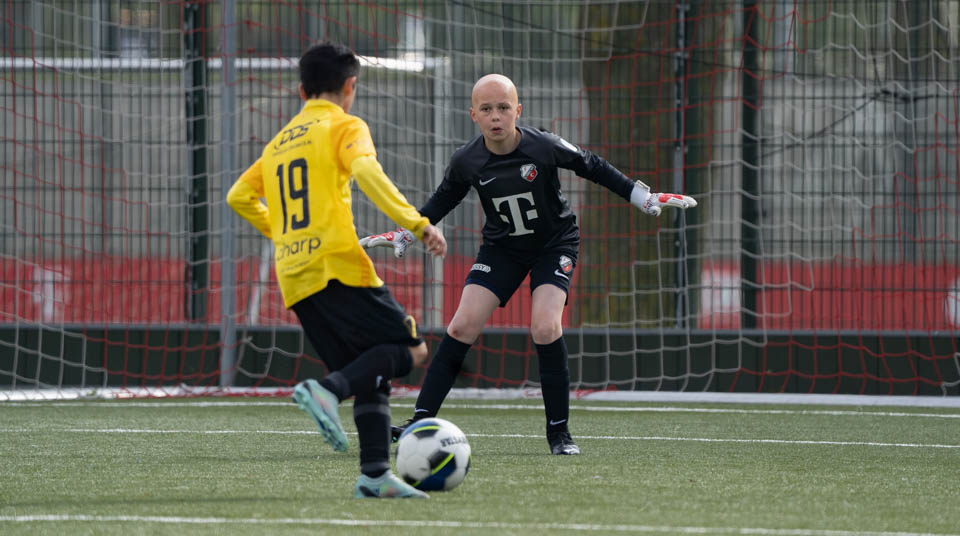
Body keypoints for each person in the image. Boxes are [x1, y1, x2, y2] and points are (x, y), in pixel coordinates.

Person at [360, 73, 697, 456]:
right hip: (502, 249)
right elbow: (443, 200)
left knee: (545, 326)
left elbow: (591, 165)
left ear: (518, 110)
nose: (496, 116)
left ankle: (559, 434)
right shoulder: (467, 160)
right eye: (487, 109)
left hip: (554, 245)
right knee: (461, 325)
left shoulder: (543, 146)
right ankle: (418, 423)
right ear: (473, 115)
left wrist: (641, 196)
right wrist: (406, 233)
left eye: (504, 107)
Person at [226, 42, 447, 499]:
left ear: (301, 90)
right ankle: (328, 390)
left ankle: (374, 475)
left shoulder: (278, 143)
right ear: (350, 86)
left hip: (295, 273)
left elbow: (238, 197)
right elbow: (367, 172)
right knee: (412, 349)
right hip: (337, 265)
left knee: (371, 369)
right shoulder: (345, 125)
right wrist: (417, 223)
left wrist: (284, 234)